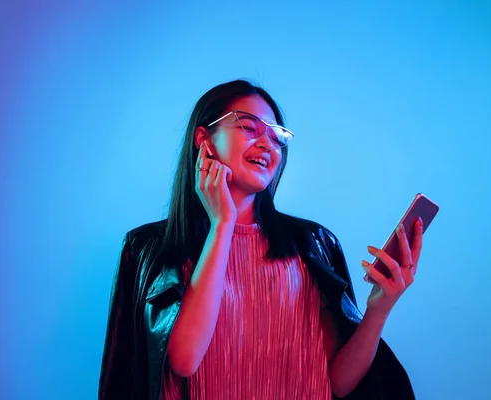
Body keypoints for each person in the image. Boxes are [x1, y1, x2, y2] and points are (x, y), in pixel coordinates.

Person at [99, 79, 420, 399]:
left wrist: (379, 309)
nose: (268, 144)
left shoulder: (311, 245)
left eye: (277, 136)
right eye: (249, 127)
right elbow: (184, 360)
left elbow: (336, 383)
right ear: (204, 140)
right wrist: (222, 224)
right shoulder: (149, 249)